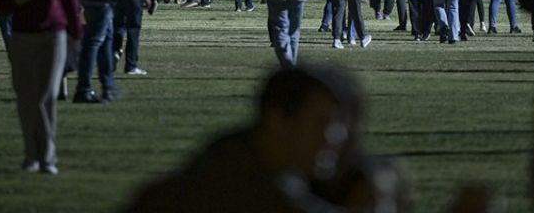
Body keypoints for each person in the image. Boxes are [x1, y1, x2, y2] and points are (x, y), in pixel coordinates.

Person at [124, 66, 363, 213]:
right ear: (277, 120)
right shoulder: (242, 188)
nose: (336, 137)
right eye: (321, 123)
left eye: (341, 124)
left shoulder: (230, 155)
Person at [0, 0, 83, 175]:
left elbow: (72, 8)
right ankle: (31, 154)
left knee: (45, 97)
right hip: (22, 37)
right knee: (25, 98)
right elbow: (2, 7)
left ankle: (47, 157)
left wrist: (76, 40)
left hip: (53, 38)